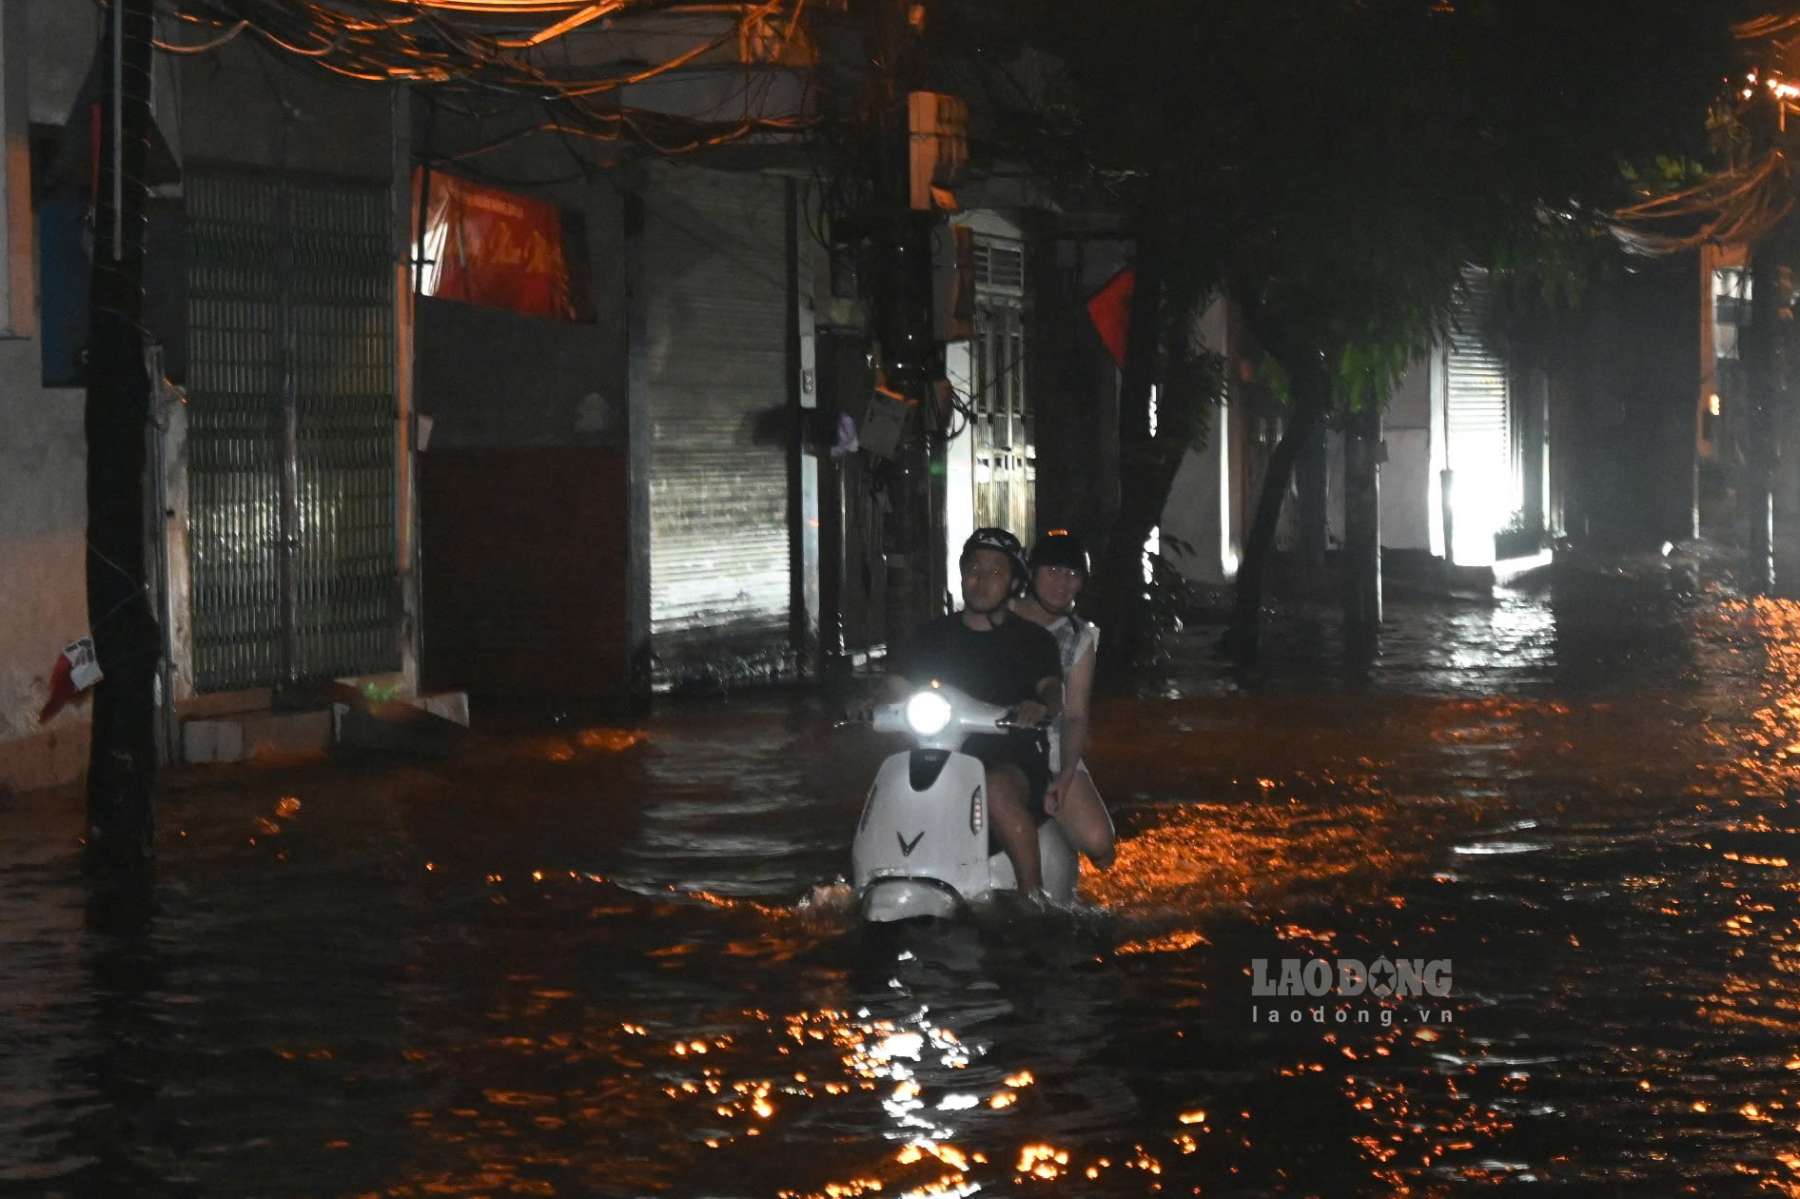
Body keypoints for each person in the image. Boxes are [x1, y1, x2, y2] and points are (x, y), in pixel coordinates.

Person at [889, 528, 1063, 896]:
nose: (982, 581)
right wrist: (868, 705)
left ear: (1014, 581)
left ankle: (1034, 898)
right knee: (892, 780)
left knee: (997, 787)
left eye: (996, 572)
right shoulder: (929, 637)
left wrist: (1038, 707)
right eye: (974, 569)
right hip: (939, 748)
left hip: (1012, 753)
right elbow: (896, 687)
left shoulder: (1033, 641)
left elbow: (1051, 690)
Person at [1010, 529, 1116, 869]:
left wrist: (1066, 773)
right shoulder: (1000, 615)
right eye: (1053, 571)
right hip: (991, 734)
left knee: (1099, 841)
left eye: (1072, 575)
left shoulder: (1079, 637)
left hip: (1052, 744)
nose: (1062, 582)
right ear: (1033, 573)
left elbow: (1074, 716)